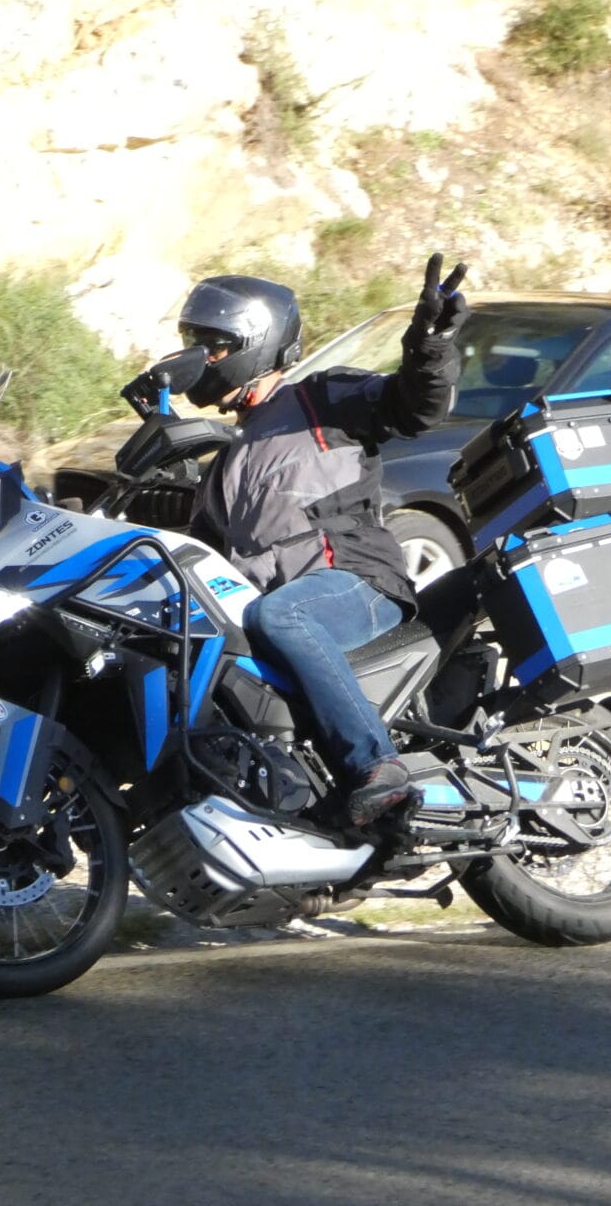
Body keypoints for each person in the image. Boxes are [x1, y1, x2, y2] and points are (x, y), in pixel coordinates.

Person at [180, 253, 468, 826]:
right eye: (192, 343)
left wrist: (429, 346)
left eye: (210, 346)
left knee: (279, 617)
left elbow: (414, 408)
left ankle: (377, 766)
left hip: (358, 581)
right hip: (285, 603)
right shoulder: (224, 463)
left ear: (251, 344)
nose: (198, 359)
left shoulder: (321, 399)